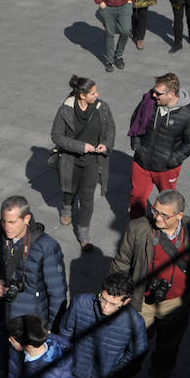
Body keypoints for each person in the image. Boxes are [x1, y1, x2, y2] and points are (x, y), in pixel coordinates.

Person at [0, 196, 67, 378]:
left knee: (28, 374)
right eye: (3, 221)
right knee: (5, 368)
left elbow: (57, 293)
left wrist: (50, 329)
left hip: (29, 324)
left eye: (12, 222)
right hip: (0, 317)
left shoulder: (46, 247)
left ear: (26, 219)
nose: (6, 227)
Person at [110, 190, 190, 378]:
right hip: (142, 301)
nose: (157, 217)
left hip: (176, 303)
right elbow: (121, 263)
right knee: (134, 344)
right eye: (155, 211)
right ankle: (122, 376)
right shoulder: (139, 228)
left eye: (165, 215)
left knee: (168, 346)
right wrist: (117, 295)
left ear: (179, 216)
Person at [50, 75, 115, 250]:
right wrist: (80, 146)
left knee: (87, 197)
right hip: (70, 158)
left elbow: (110, 129)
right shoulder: (66, 109)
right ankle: (66, 206)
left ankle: (84, 233)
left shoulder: (102, 107)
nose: (97, 95)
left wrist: (106, 144)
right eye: (93, 93)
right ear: (82, 96)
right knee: (69, 189)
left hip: (93, 160)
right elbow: (56, 136)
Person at [59, 272, 148, 378]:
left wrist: (116, 374)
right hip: (75, 376)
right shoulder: (80, 303)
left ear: (126, 302)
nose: (105, 306)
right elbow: (64, 334)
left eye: (113, 304)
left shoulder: (135, 322)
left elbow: (136, 354)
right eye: (103, 299)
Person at [127, 73, 190, 219]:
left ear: (171, 95)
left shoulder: (188, 115)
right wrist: (137, 144)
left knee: (167, 202)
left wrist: (174, 160)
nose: (154, 95)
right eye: (154, 91)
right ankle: (135, 230)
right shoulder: (149, 102)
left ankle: (164, 232)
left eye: (158, 93)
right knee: (136, 198)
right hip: (141, 162)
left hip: (166, 168)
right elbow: (136, 119)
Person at [5, 314, 74, 378]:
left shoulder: (58, 373)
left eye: (12, 339)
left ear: (28, 346)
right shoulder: (16, 349)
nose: (9, 340)